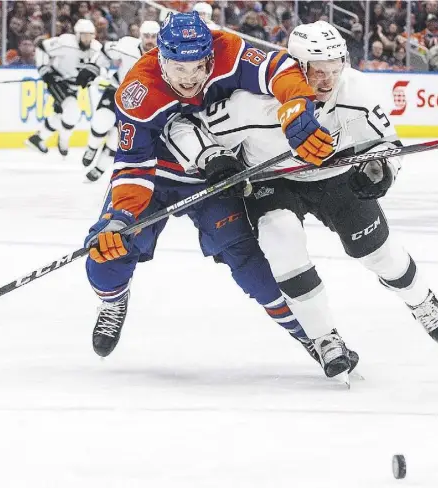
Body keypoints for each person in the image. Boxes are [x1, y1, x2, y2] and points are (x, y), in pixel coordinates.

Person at [165, 21, 438, 376]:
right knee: (281, 240)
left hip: (336, 176)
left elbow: (386, 144)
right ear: (296, 67)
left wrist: (382, 168)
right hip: (275, 182)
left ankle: (421, 300)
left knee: (380, 253)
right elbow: (181, 126)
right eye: (318, 72)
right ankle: (324, 338)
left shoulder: (357, 90)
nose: (328, 81)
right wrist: (211, 157)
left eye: (335, 69)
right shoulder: (253, 104)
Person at [83, 13, 340, 374]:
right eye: (178, 69)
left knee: (251, 266)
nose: (189, 80)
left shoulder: (228, 51)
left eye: (197, 68)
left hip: (213, 177)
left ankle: (311, 334)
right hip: (155, 180)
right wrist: (119, 217)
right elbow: (132, 166)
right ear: (161, 59)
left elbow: (278, 67)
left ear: (209, 56)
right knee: (106, 256)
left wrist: (295, 107)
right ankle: (113, 302)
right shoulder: (138, 90)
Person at [81, 21, 159, 182]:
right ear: (140, 36)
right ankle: (92, 147)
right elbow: (104, 52)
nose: (150, 40)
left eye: (153, 36)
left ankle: (101, 166)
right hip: (117, 90)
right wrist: (92, 68)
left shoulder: (164, 57)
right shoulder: (126, 45)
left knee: (120, 137)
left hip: (139, 103)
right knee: (101, 121)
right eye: (146, 36)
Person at [26, 19, 111, 157]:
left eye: (90, 35)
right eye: (84, 35)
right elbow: (41, 46)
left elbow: (102, 66)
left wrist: (96, 75)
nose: (87, 39)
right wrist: (44, 69)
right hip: (58, 80)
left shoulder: (96, 48)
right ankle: (63, 140)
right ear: (77, 35)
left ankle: (38, 138)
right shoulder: (65, 43)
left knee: (62, 114)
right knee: (72, 111)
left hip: (75, 86)